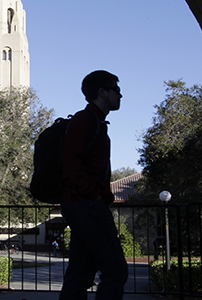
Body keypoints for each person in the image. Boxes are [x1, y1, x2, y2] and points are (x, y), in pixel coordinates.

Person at [59, 70, 128, 300]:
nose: (120, 95)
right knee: (116, 270)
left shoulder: (94, 121)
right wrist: (94, 196)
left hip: (83, 204)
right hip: (86, 205)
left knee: (80, 274)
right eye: (116, 90)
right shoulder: (85, 120)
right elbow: (70, 161)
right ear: (102, 92)